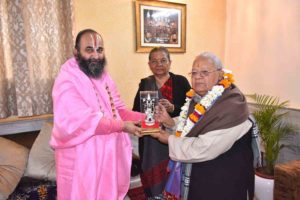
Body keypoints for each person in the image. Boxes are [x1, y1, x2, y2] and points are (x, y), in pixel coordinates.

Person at [50, 29, 145, 200]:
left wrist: (147, 119)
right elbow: (84, 121)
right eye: (89, 49)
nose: (95, 55)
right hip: (79, 158)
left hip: (107, 156)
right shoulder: (66, 80)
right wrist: (123, 126)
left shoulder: (104, 77)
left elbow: (119, 111)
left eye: (99, 50)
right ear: (76, 52)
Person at [152, 52, 255, 200]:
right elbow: (191, 125)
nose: (197, 76)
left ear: (220, 75)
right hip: (201, 177)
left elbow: (204, 147)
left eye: (204, 72)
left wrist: (169, 139)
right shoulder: (199, 98)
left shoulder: (231, 106)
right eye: (194, 72)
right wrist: (169, 122)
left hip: (224, 181)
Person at [132, 47, 191, 199]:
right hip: (150, 139)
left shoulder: (181, 81)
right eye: (154, 61)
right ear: (149, 64)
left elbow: (191, 110)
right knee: (152, 175)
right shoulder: (145, 84)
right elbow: (136, 110)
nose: (159, 64)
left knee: (173, 176)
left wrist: (173, 107)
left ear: (170, 62)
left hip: (173, 137)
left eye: (163, 60)